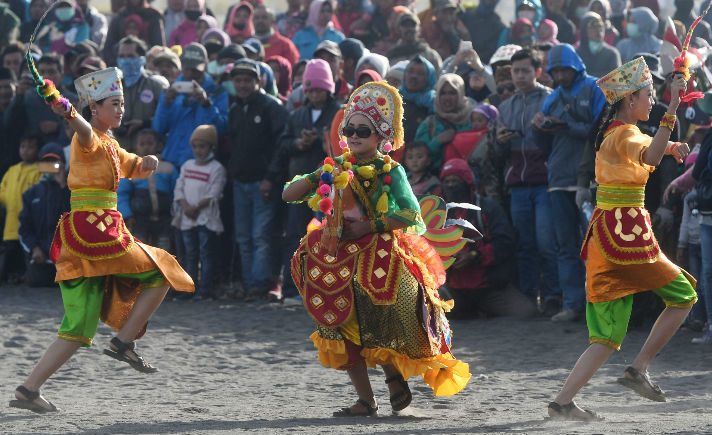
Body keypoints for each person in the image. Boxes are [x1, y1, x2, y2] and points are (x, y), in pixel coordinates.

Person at [9, 66, 193, 413]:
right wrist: (65, 108)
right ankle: (123, 343)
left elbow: (132, 165)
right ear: (95, 108)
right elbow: (79, 126)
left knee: (79, 327)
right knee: (164, 270)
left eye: (123, 103)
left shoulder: (111, 143)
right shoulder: (88, 136)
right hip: (95, 230)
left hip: (91, 233)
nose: (121, 109)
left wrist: (148, 163)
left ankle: (29, 390)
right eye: (115, 103)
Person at [282, 80, 471, 416]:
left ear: (380, 137)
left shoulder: (391, 170)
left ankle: (394, 376)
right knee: (336, 321)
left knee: (387, 314)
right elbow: (288, 196)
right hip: (336, 254)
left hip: (380, 251)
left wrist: (369, 226)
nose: (353, 135)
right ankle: (365, 400)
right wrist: (317, 177)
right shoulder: (336, 166)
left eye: (362, 130)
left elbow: (410, 213)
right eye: (348, 128)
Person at [547, 58, 696, 420]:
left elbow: (651, 147)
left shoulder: (617, 131)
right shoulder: (625, 134)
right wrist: (674, 107)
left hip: (607, 234)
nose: (651, 102)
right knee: (684, 295)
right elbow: (650, 152)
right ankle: (639, 368)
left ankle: (563, 403)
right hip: (626, 233)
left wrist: (672, 145)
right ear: (630, 100)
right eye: (648, 96)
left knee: (606, 335)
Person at [534, 43, 606, 322]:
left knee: (597, 245)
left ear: (576, 66)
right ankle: (573, 305)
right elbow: (543, 144)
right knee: (565, 245)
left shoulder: (594, 88)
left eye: (565, 69)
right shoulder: (552, 98)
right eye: (557, 71)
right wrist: (538, 127)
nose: (561, 75)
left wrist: (566, 127)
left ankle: (598, 304)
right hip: (559, 179)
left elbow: (601, 131)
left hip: (589, 179)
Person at [267, 58, 340, 302]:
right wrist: (298, 143)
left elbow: (344, 148)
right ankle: (292, 289)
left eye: (320, 89)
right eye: (312, 89)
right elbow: (282, 145)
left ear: (328, 89)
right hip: (301, 186)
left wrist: (324, 144)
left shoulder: (338, 113)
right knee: (296, 237)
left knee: (327, 238)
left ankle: (324, 290)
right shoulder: (297, 115)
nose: (316, 94)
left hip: (329, 188)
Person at [494, 48, 559, 315]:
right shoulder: (505, 106)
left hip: (543, 181)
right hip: (518, 184)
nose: (520, 76)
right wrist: (499, 142)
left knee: (546, 243)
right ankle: (530, 299)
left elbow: (557, 142)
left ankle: (555, 297)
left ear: (538, 72)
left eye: (525, 70)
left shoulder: (549, 100)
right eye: (516, 71)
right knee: (525, 245)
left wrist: (543, 128)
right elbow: (497, 152)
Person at [440, 158, 536, 318]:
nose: (450, 185)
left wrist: (474, 256)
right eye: (447, 181)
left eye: (455, 180)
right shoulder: (439, 213)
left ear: (467, 182)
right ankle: (469, 309)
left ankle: (480, 308)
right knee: (427, 312)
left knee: (526, 312)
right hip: (454, 286)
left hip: (489, 285)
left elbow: (505, 243)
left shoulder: (488, 208)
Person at [228, 60, 288, 300]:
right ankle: (250, 282)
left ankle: (261, 283)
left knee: (261, 235)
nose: (242, 85)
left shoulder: (271, 107)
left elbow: (281, 145)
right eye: (238, 80)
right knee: (244, 236)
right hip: (240, 182)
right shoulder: (235, 109)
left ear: (259, 81)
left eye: (247, 80)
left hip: (263, 182)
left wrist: (270, 177)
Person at [152, 42, 228, 168]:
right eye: (187, 69)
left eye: (196, 69)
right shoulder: (171, 90)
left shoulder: (216, 92)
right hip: (173, 159)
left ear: (205, 65)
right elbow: (158, 129)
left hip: (201, 163)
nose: (191, 73)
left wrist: (206, 104)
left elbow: (221, 129)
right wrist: (166, 105)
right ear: (182, 66)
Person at [172, 124, 226, 301]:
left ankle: (205, 290)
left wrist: (195, 207)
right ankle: (188, 289)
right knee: (189, 254)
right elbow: (179, 187)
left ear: (211, 147)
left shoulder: (216, 168)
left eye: (202, 146)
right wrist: (186, 206)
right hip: (187, 217)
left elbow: (214, 193)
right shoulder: (187, 166)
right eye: (195, 146)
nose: (198, 150)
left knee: (206, 254)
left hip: (205, 218)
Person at [18, 142, 71, 287]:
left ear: (63, 164)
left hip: (68, 260)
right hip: (42, 258)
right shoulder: (32, 193)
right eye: (46, 162)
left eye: (54, 162)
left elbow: (75, 219)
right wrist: (34, 248)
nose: (50, 166)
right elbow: (24, 228)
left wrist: (63, 187)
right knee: (38, 281)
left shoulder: (73, 191)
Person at [117, 129, 176, 251]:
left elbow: (175, 192)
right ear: (136, 147)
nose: (146, 147)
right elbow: (122, 193)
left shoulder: (168, 167)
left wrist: (176, 214)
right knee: (141, 249)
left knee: (164, 249)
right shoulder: (131, 169)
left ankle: (163, 270)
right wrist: (128, 215)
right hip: (139, 219)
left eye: (150, 143)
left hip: (165, 218)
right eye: (142, 144)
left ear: (158, 145)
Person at [114, 36, 169, 151]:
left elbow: (167, 117)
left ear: (141, 59)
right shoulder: (112, 86)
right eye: (121, 57)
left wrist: (144, 123)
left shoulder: (156, 85)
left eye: (130, 56)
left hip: (148, 152)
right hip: (120, 151)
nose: (125, 60)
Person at [0, 133, 41, 283]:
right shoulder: (12, 170)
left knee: (26, 252)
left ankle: (26, 275)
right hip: (11, 222)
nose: (25, 150)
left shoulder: (39, 170)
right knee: (11, 251)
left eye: (30, 147)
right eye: (23, 146)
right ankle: (11, 274)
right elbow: (2, 191)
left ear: (38, 150)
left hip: (29, 222)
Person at [415, 73, 474, 170]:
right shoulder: (429, 124)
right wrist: (437, 141)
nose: (447, 97)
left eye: (452, 93)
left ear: (461, 94)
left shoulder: (473, 119)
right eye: (443, 93)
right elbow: (416, 156)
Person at [400, 55, 437, 145]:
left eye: (420, 73)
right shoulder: (393, 99)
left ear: (429, 78)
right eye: (410, 71)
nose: (414, 76)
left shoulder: (434, 104)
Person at [576, 12, 621, 79]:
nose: (598, 30)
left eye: (600, 26)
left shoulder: (612, 53)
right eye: (593, 27)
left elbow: (616, 78)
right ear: (584, 31)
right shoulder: (577, 54)